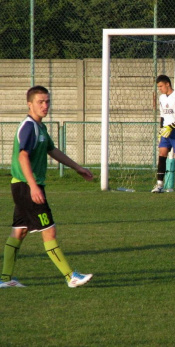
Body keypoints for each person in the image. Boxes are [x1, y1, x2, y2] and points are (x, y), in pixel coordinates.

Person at [1, 86, 93, 288]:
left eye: (47, 101)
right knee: (49, 231)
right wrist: (33, 186)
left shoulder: (40, 127)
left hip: (23, 186)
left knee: (19, 231)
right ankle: (71, 276)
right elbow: (22, 155)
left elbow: (52, 150)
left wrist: (78, 168)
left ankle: (5, 279)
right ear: (29, 104)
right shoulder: (28, 126)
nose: (45, 105)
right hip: (27, 186)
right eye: (40, 102)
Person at [151, 75, 175, 194]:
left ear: (168, 84)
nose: (160, 89)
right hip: (166, 132)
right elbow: (162, 115)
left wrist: (171, 126)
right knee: (162, 154)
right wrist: (161, 129)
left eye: (161, 86)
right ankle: (159, 185)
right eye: (158, 87)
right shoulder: (162, 98)